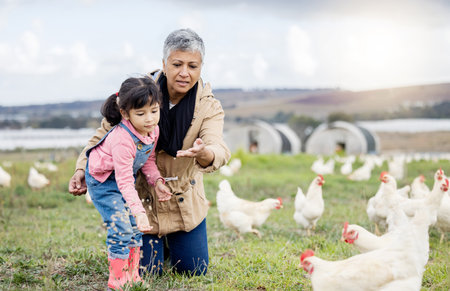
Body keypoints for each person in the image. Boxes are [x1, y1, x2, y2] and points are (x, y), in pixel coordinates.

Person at [69, 28, 231, 277]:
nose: (185, 73)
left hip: (182, 200)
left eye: (193, 66)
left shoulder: (209, 106)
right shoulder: (138, 94)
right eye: (177, 64)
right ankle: (154, 247)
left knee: (193, 269)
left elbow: (217, 147)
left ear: (201, 68)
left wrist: (204, 152)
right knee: (147, 271)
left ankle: (170, 243)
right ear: (164, 64)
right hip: (142, 199)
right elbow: (102, 137)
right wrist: (82, 168)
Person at [84, 76, 172, 289]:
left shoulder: (153, 130)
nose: (149, 119)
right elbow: (124, 181)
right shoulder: (123, 139)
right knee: (120, 226)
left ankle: (132, 275)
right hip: (103, 181)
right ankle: (117, 278)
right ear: (125, 113)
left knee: (134, 228)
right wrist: (140, 211)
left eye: (154, 111)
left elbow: (148, 160)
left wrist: (157, 181)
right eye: (141, 114)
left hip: (123, 179)